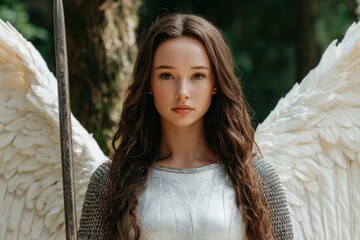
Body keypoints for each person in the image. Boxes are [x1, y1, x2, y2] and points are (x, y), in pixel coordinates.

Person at [77, 13, 293, 240]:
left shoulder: (256, 179)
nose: (182, 92)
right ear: (149, 83)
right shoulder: (110, 181)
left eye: (197, 75)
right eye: (167, 75)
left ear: (215, 84)